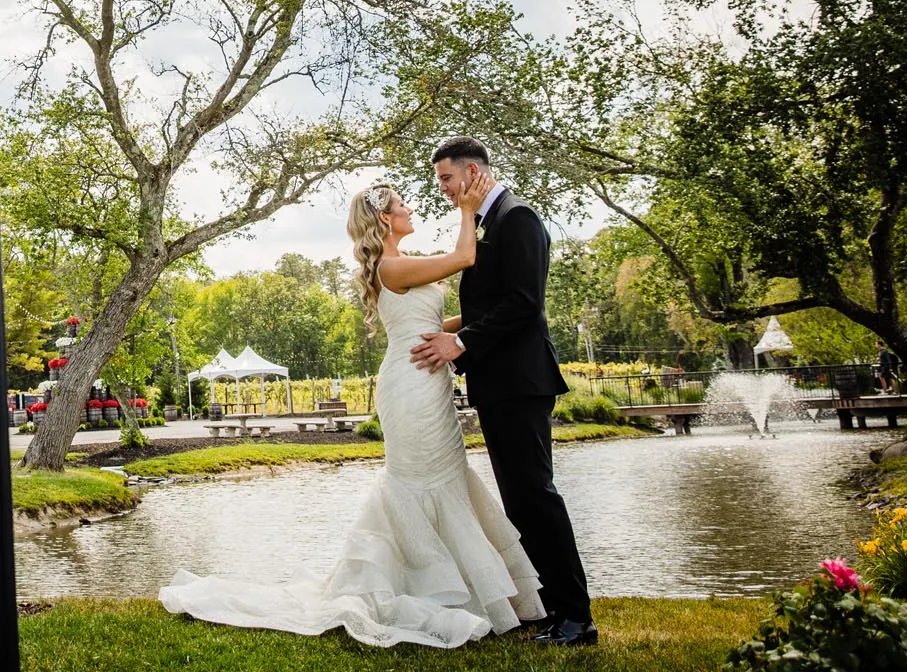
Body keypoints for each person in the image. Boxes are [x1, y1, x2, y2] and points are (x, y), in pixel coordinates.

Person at [158, 173, 545, 647]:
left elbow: (427, 322)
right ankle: (430, 591)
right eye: (403, 206)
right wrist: (467, 206)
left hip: (426, 380)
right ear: (386, 218)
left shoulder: (398, 265)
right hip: (412, 389)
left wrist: (486, 318)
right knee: (420, 485)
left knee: (444, 480)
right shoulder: (390, 267)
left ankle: (460, 590)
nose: (411, 210)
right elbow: (465, 256)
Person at [409, 137, 596, 646]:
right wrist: (441, 330)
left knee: (536, 496)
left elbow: (524, 305)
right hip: (500, 382)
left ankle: (577, 617)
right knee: (520, 500)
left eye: (446, 179)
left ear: (471, 172)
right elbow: (492, 302)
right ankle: (553, 608)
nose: (443, 189)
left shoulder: (517, 218)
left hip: (521, 382)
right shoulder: (490, 222)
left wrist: (461, 343)